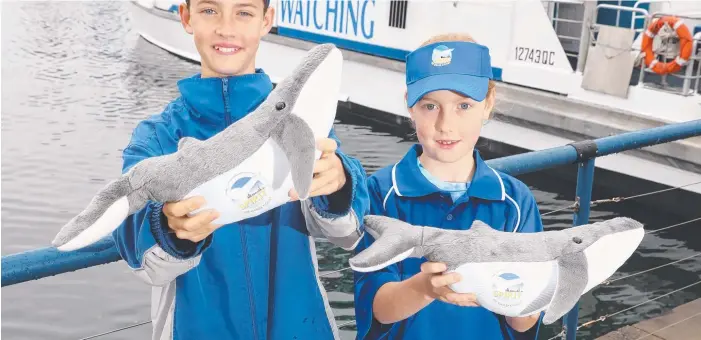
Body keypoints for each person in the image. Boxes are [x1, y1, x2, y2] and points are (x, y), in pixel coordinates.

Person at [112, 0, 369, 339]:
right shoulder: (157, 137)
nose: (226, 28)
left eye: (244, 12)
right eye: (209, 10)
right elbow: (138, 253)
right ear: (187, 17)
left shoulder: (303, 120)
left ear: (267, 21)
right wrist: (169, 227)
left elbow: (350, 233)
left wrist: (339, 184)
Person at [352, 33, 545, 340]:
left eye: (464, 105)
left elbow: (525, 323)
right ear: (410, 107)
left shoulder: (516, 202)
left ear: (488, 105)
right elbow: (376, 309)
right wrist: (424, 287)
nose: (446, 124)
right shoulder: (380, 193)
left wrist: (528, 291)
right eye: (430, 106)